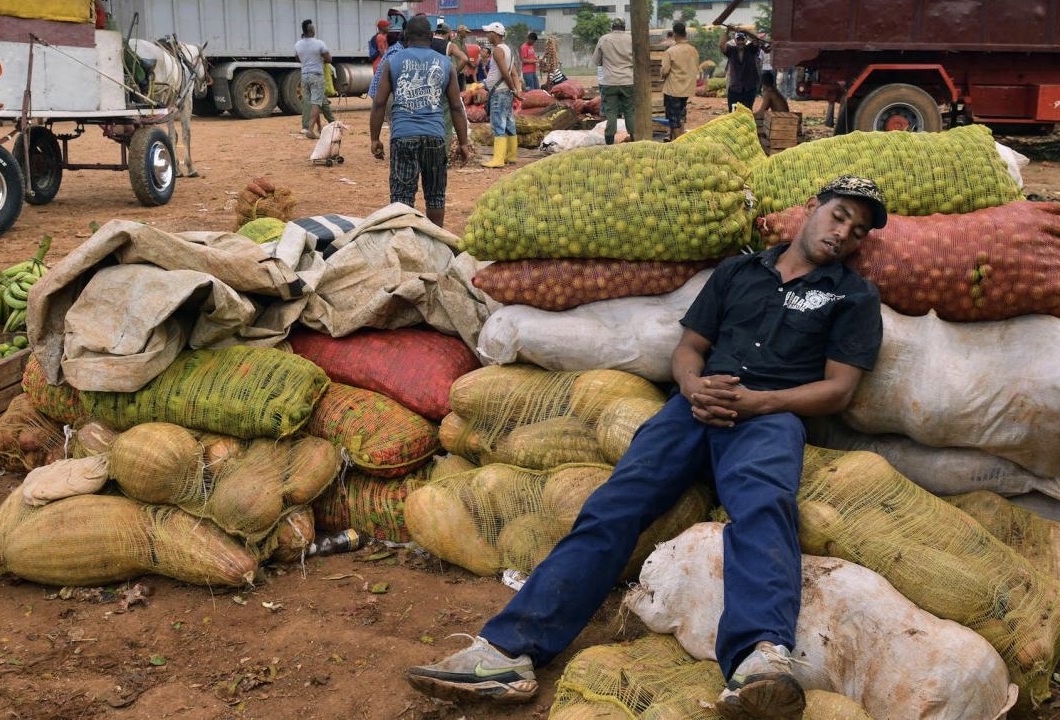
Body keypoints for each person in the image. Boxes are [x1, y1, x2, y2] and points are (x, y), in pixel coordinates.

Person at [406, 175, 890, 720]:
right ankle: (507, 653)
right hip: (694, 408)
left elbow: (839, 389)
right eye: (839, 215)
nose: (844, 232)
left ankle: (759, 660)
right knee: (615, 505)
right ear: (811, 209)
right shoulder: (737, 272)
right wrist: (691, 386)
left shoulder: (852, 295)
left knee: (763, 507)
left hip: (769, 417)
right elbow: (690, 348)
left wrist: (756, 403)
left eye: (858, 230)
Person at [370, 16, 472, 228]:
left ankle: (403, 243)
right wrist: (463, 142)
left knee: (402, 196)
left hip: (403, 136)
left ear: (406, 36)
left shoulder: (392, 61)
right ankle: (436, 241)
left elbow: (379, 103)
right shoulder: (445, 64)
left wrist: (375, 139)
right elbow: (455, 106)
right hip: (435, 137)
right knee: (435, 195)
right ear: (430, 36)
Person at [480, 22, 522, 169]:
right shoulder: (507, 49)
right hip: (505, 92)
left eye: (489, 32)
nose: (487, 35)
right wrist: (515, 90)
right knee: (509, 124)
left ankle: (498, 159)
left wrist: (512, 89)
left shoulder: (498, 50)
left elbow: (505, 73)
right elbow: (514, 73)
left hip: (500, 92)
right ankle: (511, 156)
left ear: (496, 34)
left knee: (498, 124)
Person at [592, 17, 634, 145]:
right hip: (628, 81)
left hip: (609, 82)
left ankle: (610, 143)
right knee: (629, 111)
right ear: (624, 27)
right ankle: (634, 139)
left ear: (612, 27)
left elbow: (596, 61)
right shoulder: (631, 39)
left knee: (611, 113)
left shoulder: (604, 39)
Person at [295, 19, 335, 139]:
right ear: (311, 30)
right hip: (316, 75)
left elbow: (297, 58)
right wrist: (319, 58)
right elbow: (329, 59)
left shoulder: (298, 44)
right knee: (316, 103)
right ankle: (310, 130)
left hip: (305, 75)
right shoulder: (319, 43)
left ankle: (320, 126)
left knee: (311, 101)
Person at [661, 21, 699, 140]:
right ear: (685, 34)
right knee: (681, 117)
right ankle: (676, 140)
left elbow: (664, 71)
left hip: (673, 90)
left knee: (674, 120)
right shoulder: (693, 50)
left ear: (675, 35)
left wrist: (662, 74)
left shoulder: (670, 51)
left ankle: (679, 145)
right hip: (687, 90)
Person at [719, 26, 763, 111]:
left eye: (742, 39)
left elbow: (757, 39)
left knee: (747, 112)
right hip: (735, 88)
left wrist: (746, 31)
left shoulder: (751, 49)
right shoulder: (731, 50)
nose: (740, 42)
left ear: (745, 40)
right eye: (738, 40)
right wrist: (727, 31)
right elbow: (721, 45)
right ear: (735, 40)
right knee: (733, 113)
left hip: (749, 88)